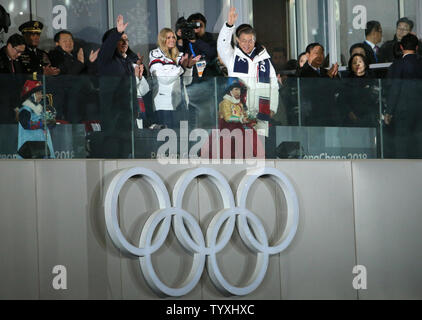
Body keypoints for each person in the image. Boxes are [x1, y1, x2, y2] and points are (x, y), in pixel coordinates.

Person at [217, 7, 279, 139]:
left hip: (260, 112)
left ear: (254, 41)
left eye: (250, 40)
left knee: (259, 149)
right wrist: (229, 26)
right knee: (239, 148)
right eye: (243, 40)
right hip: (238, 112)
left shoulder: (264, 59)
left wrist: (272, 108)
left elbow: (274, 85)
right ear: (238, 41)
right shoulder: (232, 57)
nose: (247, 44)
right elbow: (222, 46)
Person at [96, 15, 138, 158]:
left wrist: (135, 112)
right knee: (113, 155)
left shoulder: (127, 61)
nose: (124, 42)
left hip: (127, 118)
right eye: (121, 40)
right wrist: (117, 33)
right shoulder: (106, 59)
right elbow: (106, 48)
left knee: (127, 155)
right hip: (112, 118)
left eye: (126, 40)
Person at [149, 28, 200, 129]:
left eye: (173, 37)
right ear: (162, 39)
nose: (172, 39)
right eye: (168, 37)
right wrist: (181, 67)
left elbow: (187, 81)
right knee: (167, 138)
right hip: (164, 105)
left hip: (182, 104)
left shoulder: (180, 55)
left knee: (183, 139)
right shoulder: (155, 54)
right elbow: (164, 79)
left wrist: (189, 67)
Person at [48, 30, 99, 123]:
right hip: (66, 101)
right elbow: (67, 76)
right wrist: (80, 62)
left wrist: (89, 62)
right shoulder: (55, 55)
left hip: (80, 99)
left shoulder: (74, 56)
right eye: (65, 41)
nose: (69, 43)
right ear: (57, 43)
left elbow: (85, 74)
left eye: (70, 40)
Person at [384, 34, 422, 158]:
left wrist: (388, 112)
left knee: (402, 145)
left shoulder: (396, 66)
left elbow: (394, 89)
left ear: (401, 47)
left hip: (402, 111)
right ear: (417, 47)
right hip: (420, 111)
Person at [298, 43, 340, 126]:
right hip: (312, 116)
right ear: (307, 55)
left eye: (322, 53)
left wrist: (335, 75)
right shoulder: (303, 72)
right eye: (316, 53)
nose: (320, 56)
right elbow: (312, 91)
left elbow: (337, 88)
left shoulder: (325, 71)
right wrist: (328, 76)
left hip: (329, 115)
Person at [17, 79, 55, 159]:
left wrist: (51, 121)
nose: (41, 96)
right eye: (38, 93)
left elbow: (50, 125)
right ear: (31, 95)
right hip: (29, 152)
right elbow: (26, 124)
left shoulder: (40, 110)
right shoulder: (25, 110)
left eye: (41, 93)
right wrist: (41, 124)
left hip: (43, 150)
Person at [338, 54, 378, 127]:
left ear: (365, 64)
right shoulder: (347, 81)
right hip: (351, 119)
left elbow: (377, 97)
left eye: (360, 62)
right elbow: (341, 100)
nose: (357, 64)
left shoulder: (372, 79)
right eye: (354, 63)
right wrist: (350, 113)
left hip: (369, 118)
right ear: (351, 66)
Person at [0, 33, 26, 123]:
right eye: (17, 51)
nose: (19, 55)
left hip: (13, 106)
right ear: (9, 46)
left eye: (21, 52)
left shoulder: (16, 61)